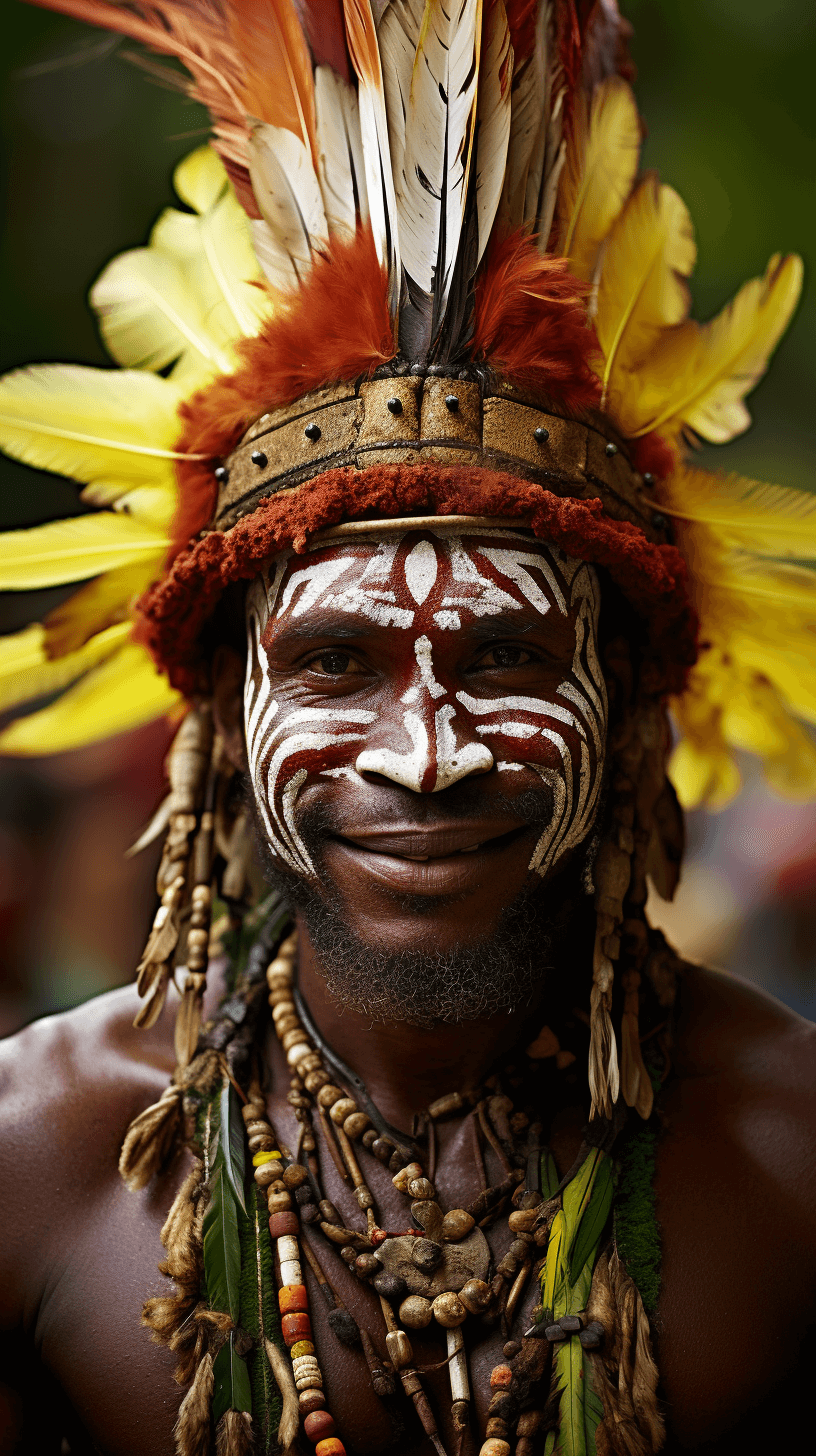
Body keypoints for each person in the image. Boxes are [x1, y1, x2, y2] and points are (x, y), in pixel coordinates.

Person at [0, 2, 814, 1453]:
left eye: (505, 654)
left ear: (625, 706)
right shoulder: (35, 1153)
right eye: (333, 662)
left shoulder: (792, 1148)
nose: (423, 755)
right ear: (223, 722)